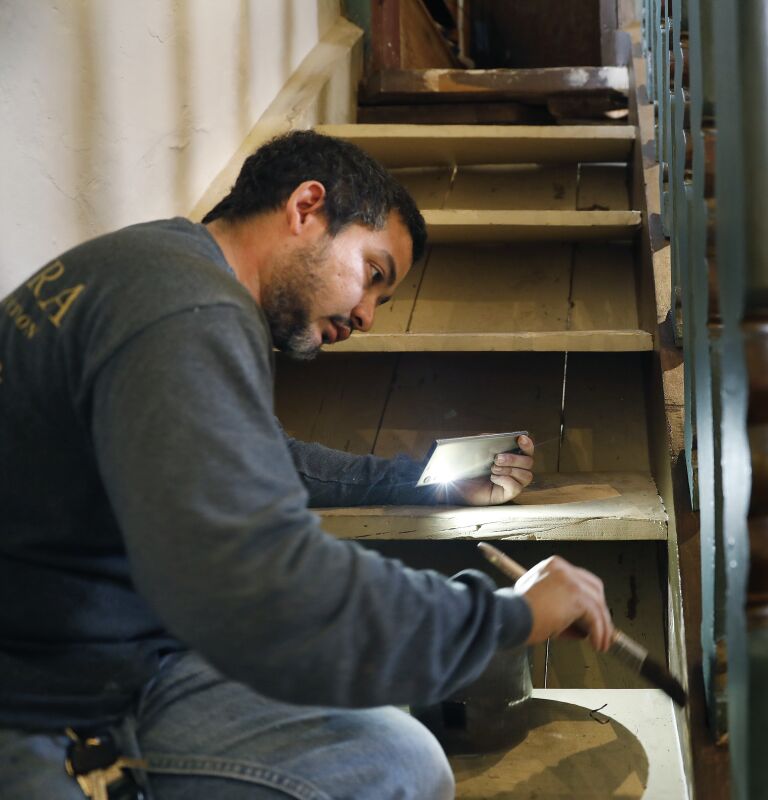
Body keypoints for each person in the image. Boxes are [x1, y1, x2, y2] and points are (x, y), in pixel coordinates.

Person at [0, 131, 615, 799]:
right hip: (41, 704)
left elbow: (259, 461)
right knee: (391, 767)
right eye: (374, 274)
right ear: (306, 207)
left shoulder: (157, 268)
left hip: (121, 656)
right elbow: (269, 585)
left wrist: (418, 481)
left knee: (389, 744)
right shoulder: (187, 310)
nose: (367, 317)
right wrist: (505, 619)